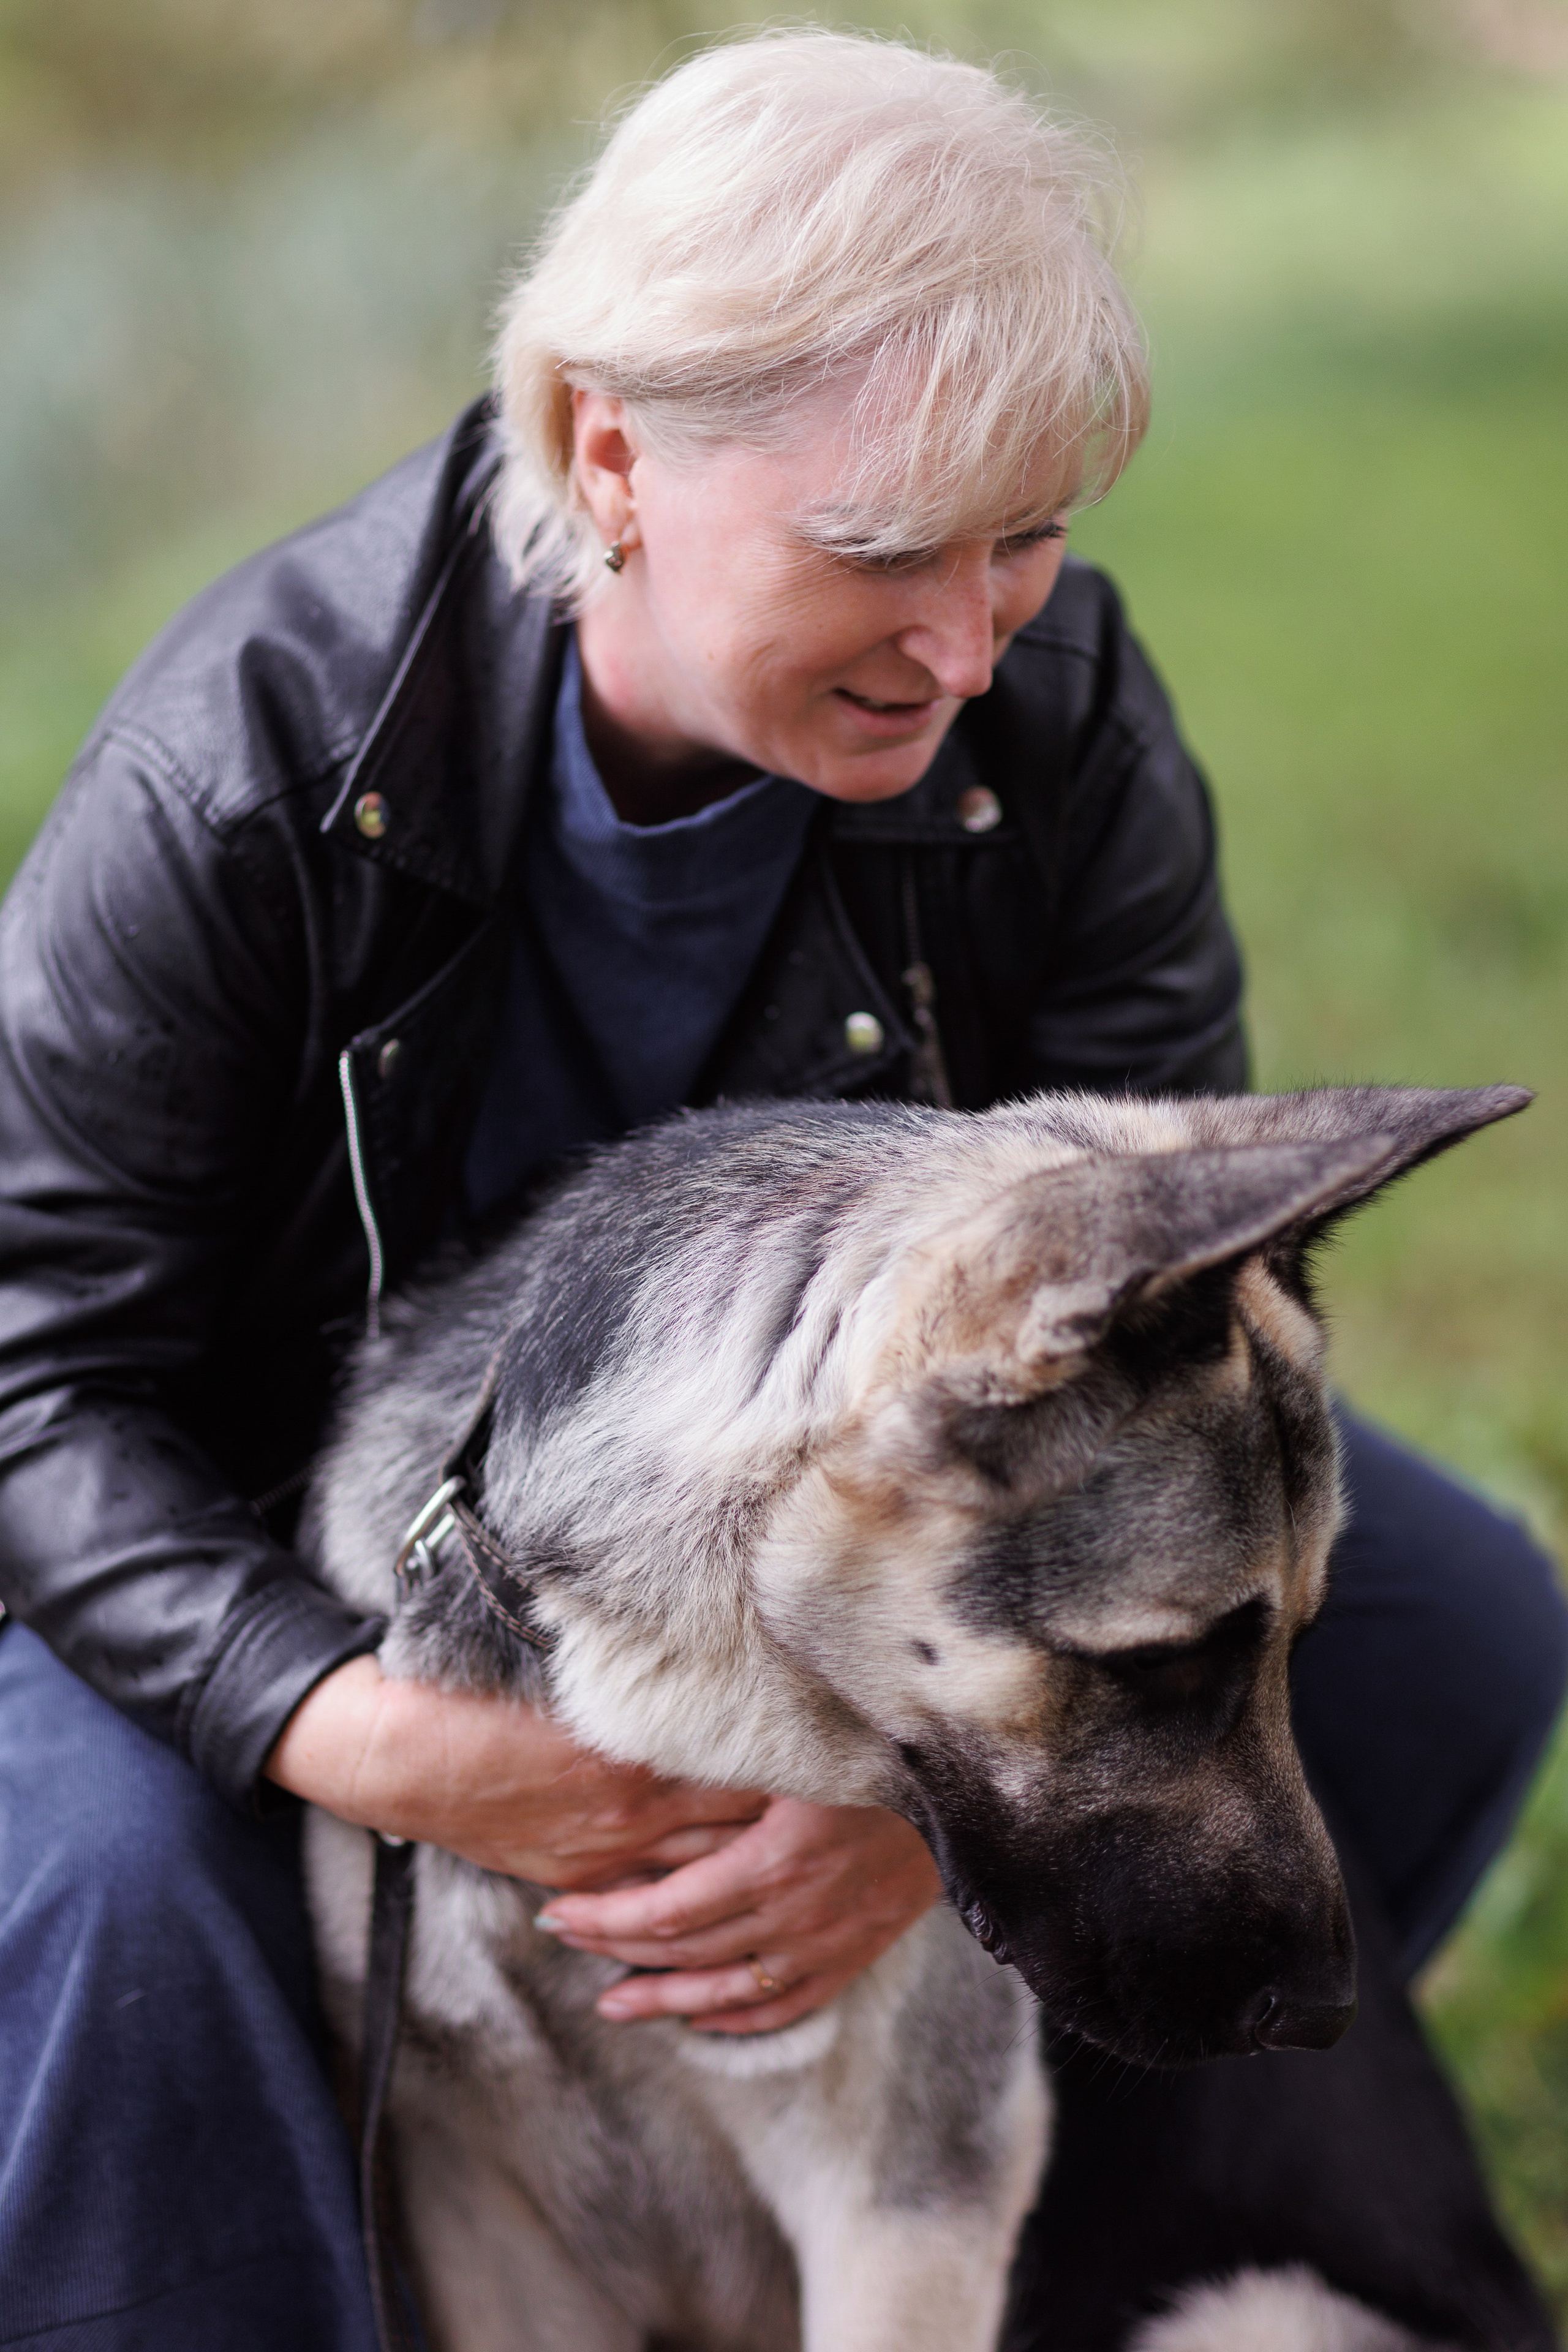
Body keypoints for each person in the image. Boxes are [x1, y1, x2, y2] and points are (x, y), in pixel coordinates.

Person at [0, 31, 1560, 2350]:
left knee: (1444, 1615)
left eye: (1027, 538)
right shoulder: (240, 778)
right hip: (267, 1527)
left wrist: (913, 1805)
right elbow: (36, 1383)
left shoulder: (1065, 726)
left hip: (846, 1502)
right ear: (610, 452)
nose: (970, 639)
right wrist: (364, 1729)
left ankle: (1048, 2182)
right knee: (122, 1884)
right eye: (882, 550)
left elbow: (1177, 1271)